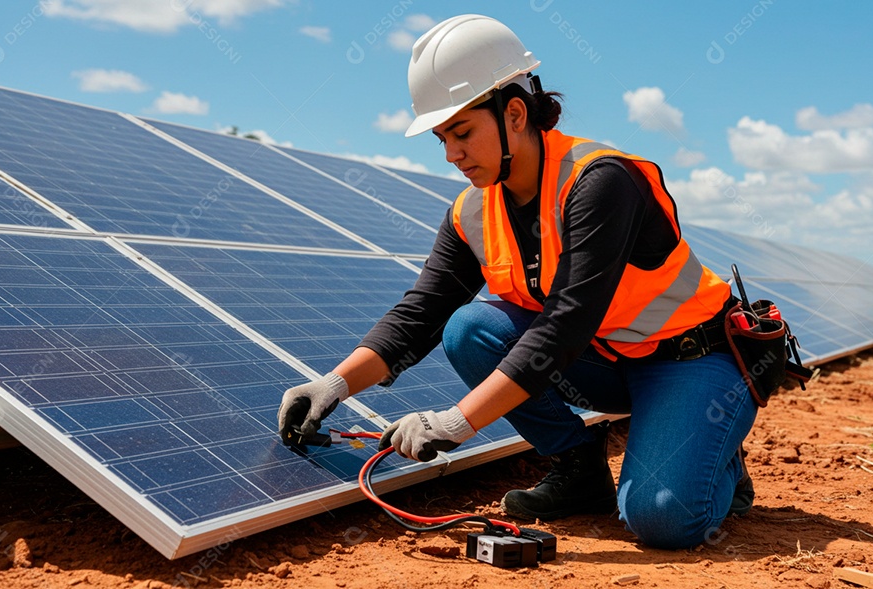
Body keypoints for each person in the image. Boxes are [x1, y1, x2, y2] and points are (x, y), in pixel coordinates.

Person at [278, 14, 758, 549]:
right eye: (442, 137)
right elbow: (422, 313)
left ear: (514, 113)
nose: (451, 154)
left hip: (691, 361)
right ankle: (578, 472)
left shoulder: (599, 181)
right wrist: (333, 385)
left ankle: (719, 459)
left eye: (462, 132)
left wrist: (455, 423)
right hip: (610, 364)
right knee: (469, 327)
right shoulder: (472, 212)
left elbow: (565, 325)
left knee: (663, 519)